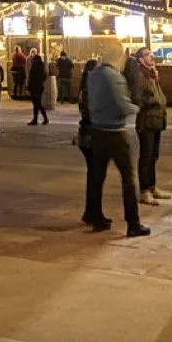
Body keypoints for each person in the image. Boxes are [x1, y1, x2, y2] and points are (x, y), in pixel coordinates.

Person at [84, 60, 150, 237]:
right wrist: (136, 107)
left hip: (97, 129)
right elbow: (122, 105)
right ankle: (133, 223)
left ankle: (95, 216)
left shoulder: (93, 75)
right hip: (115, 132)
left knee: (96, 175)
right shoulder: (113, 75)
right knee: (129, 177)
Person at [129, 49, 172, 205]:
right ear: (140, 60)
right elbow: (137, 98)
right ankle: (144, 191)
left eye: (151, 54)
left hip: (157, 120)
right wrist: (153, 102)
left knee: (154, 156)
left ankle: (153, 187)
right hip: (147, 121)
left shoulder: (152, 74)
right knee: (146, 157)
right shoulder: (140, 76)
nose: (151, 56)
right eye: (147, 55)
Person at [77, 59, 99, 225]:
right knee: (95, 175)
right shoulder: (89, 91)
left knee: (95, 174)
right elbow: (91, 114)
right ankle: (92, 212)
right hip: (91, 136)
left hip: (87, 135)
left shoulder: (86, 89)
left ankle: (92, 211)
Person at [27, 49, 49, 125]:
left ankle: (39, 119)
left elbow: (31, 79)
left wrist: (28, 87)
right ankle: (39, 119)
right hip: (39, 88)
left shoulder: (33, 69)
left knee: (37, 104)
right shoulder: (41, 69)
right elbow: (44, 76)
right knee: (37, 104)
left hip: (34, 88)